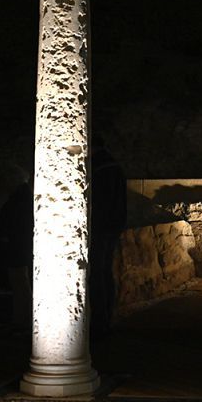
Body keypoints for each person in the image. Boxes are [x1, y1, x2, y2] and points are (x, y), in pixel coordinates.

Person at [88, 139, 127, 339]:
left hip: (100, 228)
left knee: (97, 273)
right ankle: (107, 317)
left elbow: (99, 202)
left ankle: (99, 321)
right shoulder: (114, 166)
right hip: (112, 226)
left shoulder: (98, 169)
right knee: (105, 272)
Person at [0, 163, 33, 330]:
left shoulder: (19, 200)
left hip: (17, 250)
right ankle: (21, 320)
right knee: (21, 286)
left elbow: (16, 225)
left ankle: (22, 322)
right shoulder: (24, 197)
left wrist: (6, 239)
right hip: (19, 249)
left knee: (21, 287)